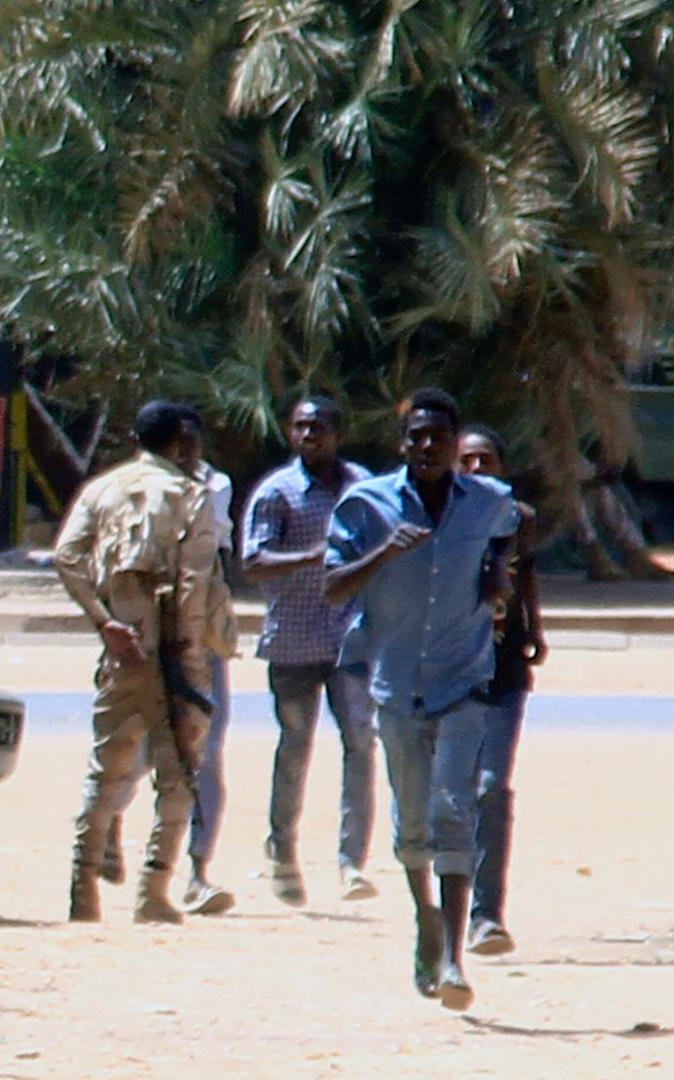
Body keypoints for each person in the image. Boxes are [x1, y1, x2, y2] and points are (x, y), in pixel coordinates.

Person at [324, 388, 518, 1011]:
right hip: (397, 684)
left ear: (456, 444)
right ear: (401, 442)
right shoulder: (366, 505)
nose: (428, 446)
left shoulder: (486, 500)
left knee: (453, 811)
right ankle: (425, 923)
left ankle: (456, 957)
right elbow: (332, 588)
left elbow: (520, 522)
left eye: (439, 437)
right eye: (417, 436)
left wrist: (497, 571)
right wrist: (385, 551)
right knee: (413, 825)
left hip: (464, 682)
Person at [57, 401, 224, 924]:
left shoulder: (101, 490)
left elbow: (66, 556)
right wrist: (191, 650)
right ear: (179, 442)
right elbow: (195, 580)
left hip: (122, 649)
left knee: (105, 772)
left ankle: (82, 891)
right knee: (177, 775)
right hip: (174, 649)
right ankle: (154, 891)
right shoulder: (189, 495)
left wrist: (104, 622)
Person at [240, 395, 379, 907]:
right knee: (296, 747)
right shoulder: (277, 493)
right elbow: (253, 562)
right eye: (300, 427)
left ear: (337, 433)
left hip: (351, 639)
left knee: (362, 743)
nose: (308, 436)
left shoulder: (361, 488)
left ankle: (352, 863)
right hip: (294, 641)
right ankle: (282, 851)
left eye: (318, 427)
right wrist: (310, 558)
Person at [99, 452, 239, 916]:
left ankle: (196, 872)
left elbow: (212, 569)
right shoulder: (128, 493)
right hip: (149, 640)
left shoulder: (213, 486)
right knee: (142, 744)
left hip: (197, 640)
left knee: (205, 751)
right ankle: (113, 820)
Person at [457, 424, 546, 956]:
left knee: (492, 786)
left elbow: (527, 575)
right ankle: (444, 910)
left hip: (504, 672)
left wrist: (535, 628)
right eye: (465, 460)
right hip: (449, 673)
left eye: (484, 460)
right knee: (451, 793)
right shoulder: (441, 519)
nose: (475, 469)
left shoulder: (519, 520)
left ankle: (487, 914)